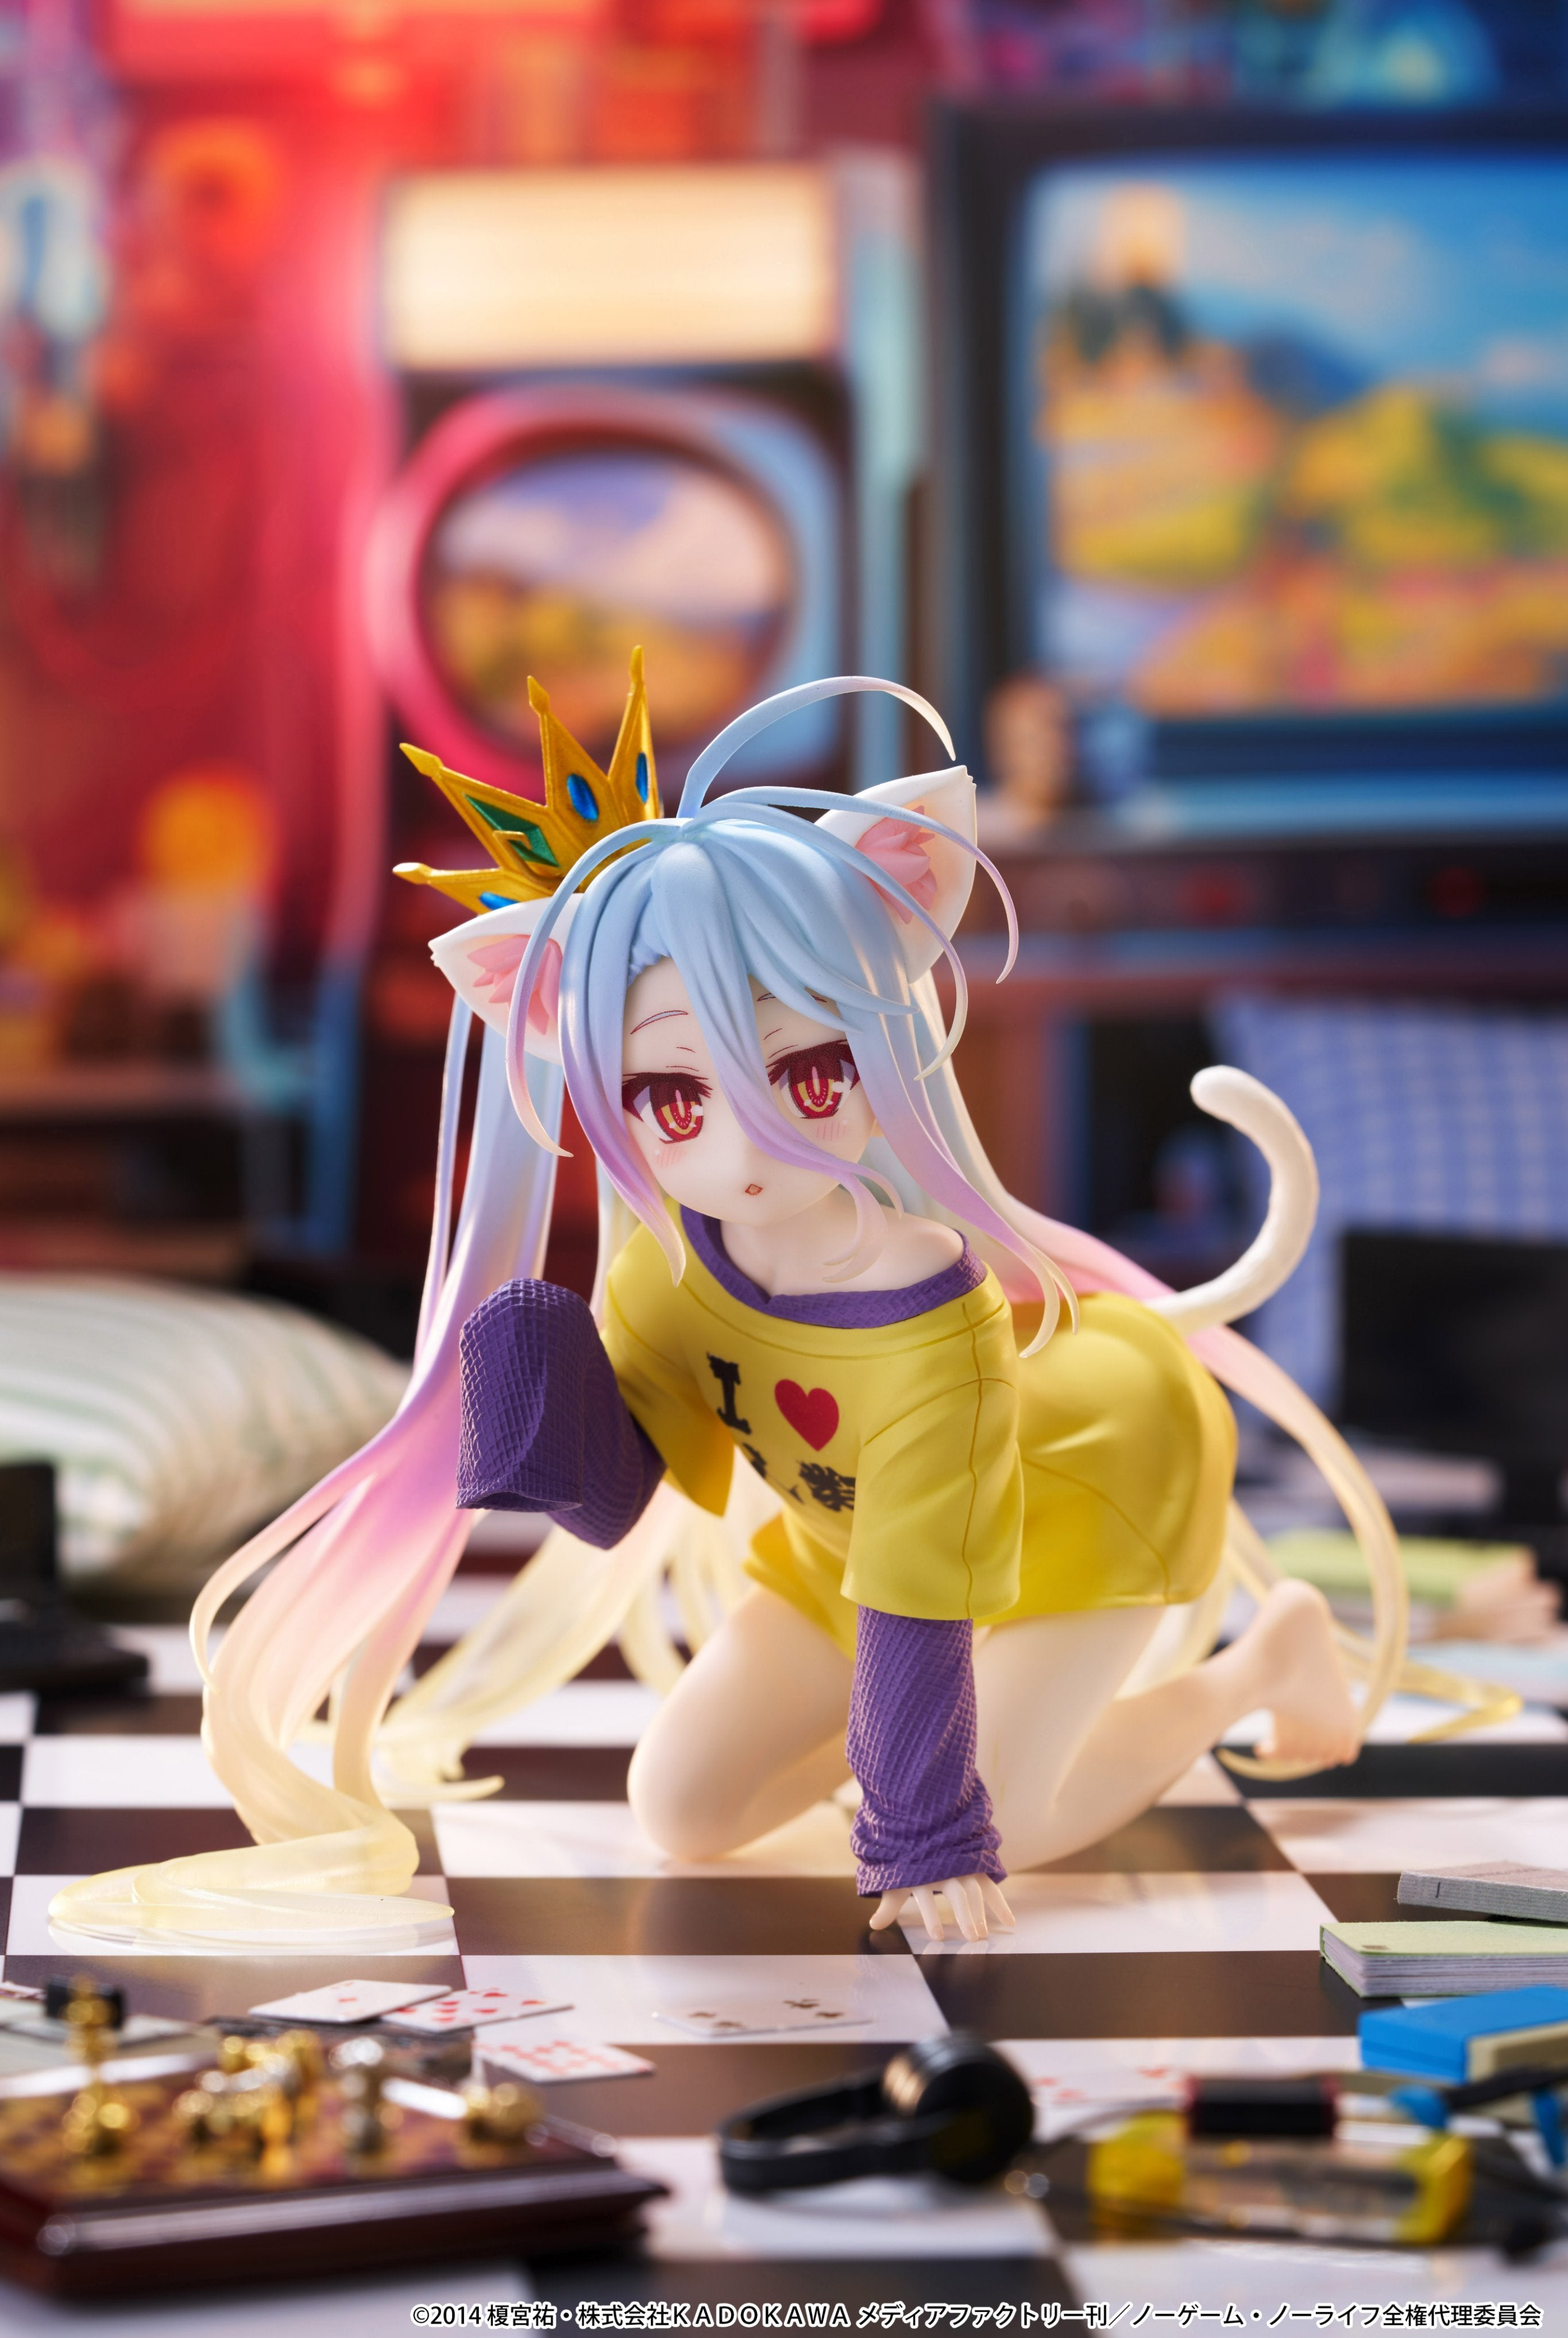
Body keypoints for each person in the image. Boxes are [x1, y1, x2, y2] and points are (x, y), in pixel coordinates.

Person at [49, 655, 1405, 1954]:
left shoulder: (929, 1314)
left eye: (810, 1071)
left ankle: (1257, 1666)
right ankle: (933, 1743)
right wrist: (531, 1380)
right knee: (684, 1808)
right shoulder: (671, 1264)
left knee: (1009, 1821)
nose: (747, 1143)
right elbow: (626, 1490)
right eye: (674, 1095)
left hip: (1088, 1479)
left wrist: (924, 1826)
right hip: (847, 1543)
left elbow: (923, 1594)